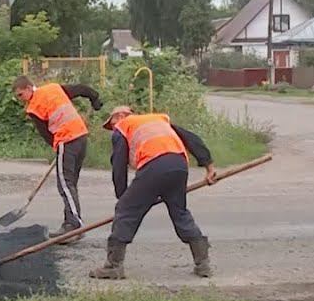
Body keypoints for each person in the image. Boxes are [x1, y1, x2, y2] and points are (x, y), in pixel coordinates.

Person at [91, 105, 219, 280]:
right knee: (180, 213)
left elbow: (118, 165)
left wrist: (123, 198)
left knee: (126, 211)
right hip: (179, 164)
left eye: (111, 123)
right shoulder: (158, 121)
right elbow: (191, 139)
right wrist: (209, 167)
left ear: (120, 116)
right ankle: (203, 264)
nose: (112, 128)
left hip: (154, 165)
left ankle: (113, 266)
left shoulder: (123, 126)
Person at [12, 76, 102, 241]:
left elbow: (45, 133)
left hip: (66, 140)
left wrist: (57, 147)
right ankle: (71, 223)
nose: (20, 99)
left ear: (29, 88)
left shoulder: (33, 108)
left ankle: (74, 225)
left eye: (20, 95)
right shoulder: (54, 88)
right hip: (81, 137)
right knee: (70, 184)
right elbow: (81, 88)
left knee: (65, 184)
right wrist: (95, 98)